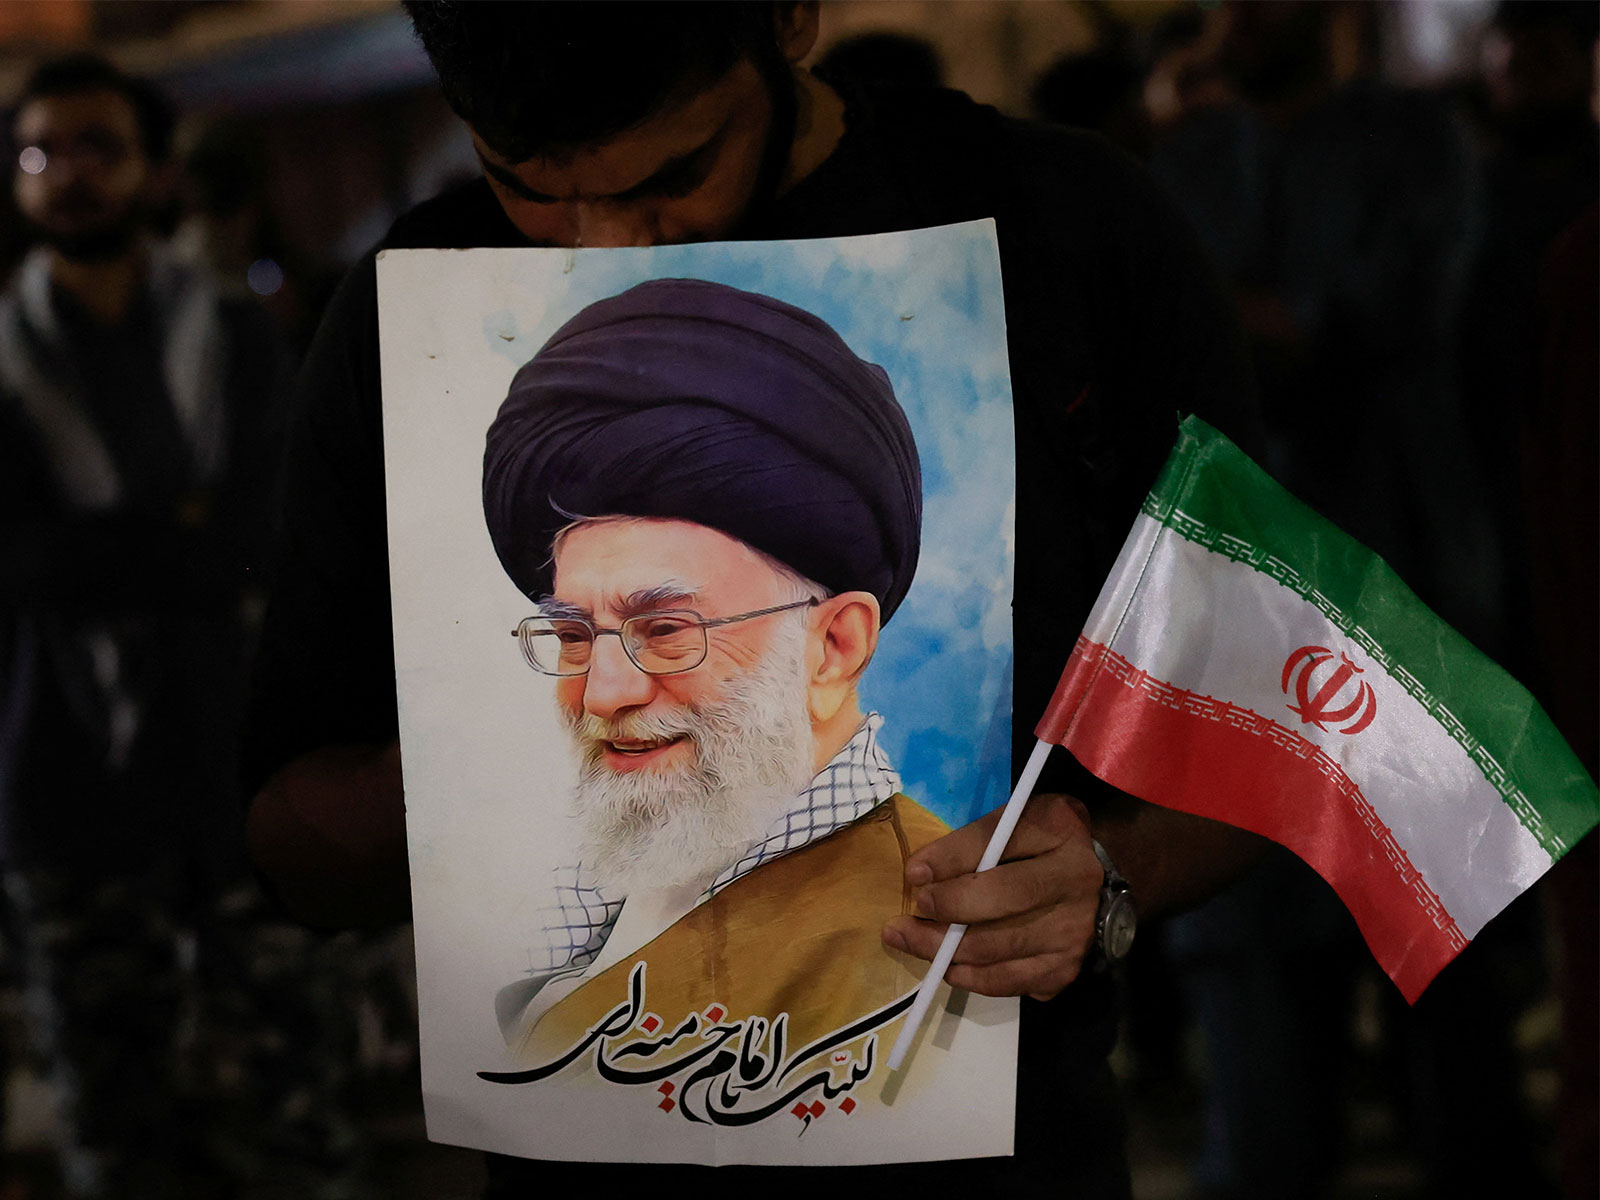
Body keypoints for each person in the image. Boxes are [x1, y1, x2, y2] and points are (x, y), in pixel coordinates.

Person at [244, 4, 1264, 1192]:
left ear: (788, 20)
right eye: (525, 185)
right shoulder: (411, 307)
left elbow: (1284, 722)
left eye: (675, 173)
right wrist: (451, 787)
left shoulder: (1065, 230)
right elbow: (285, 835)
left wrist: (1111, 878)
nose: (611, 245)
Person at [478, 278, 945, 1063]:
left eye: (664, 629)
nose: (604, 693)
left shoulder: (922, 938)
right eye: (574, 636)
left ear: (833, 648)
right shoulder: (602, 890)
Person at [0, 53, 288, 1195]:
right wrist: (182, 530)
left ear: (155, 171)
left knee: (290, 1109)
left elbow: (256, 542)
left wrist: (106, 545)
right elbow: (22, 568)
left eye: (97, 147)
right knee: (112, 1133)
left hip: (236, 771)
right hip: (61, 783)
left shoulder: (238, 333)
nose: (67, 174)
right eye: (38, 153)